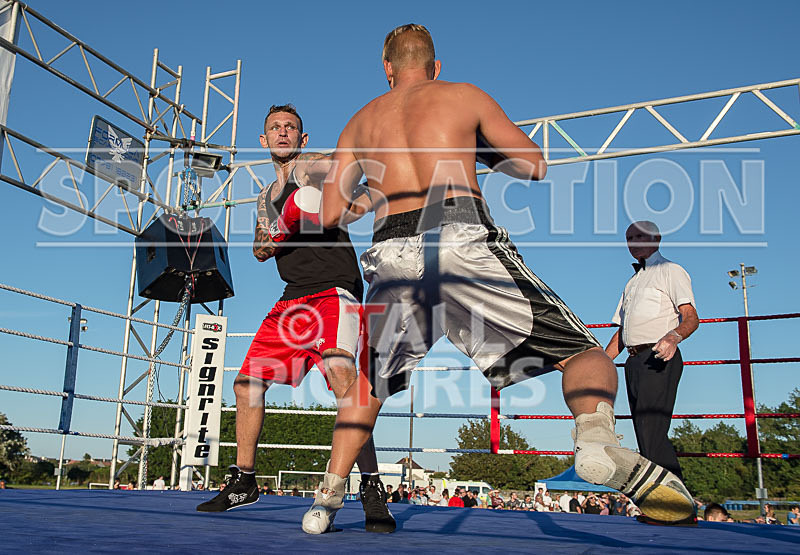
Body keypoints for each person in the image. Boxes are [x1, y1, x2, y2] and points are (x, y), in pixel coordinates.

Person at [309, 23, 696, 531]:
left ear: (386, 68)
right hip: (457, 233)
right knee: (583, 355)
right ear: (435, 65)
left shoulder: (358, 123)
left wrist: (373, 192)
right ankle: (597, 440)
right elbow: (535, 163)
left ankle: (325, 502)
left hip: (390, 253)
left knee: (370, 385)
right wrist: (473, 151)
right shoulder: (462, 95)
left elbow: (331, 214)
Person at [196, 105, 394, 534]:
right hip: (292, 296)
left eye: (290, 128)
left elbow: (374, 187)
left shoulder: (317, 166)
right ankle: (244, 479)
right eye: (274, 128)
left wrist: (340, 210)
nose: (282, 133)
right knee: (246, 383)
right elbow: (258, 249)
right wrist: (273, 238)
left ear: (302, 139)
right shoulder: (265, 196)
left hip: (334, 289)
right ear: (263, 140)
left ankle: (371, 487)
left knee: (344, 381)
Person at [604, 221, 699, 480]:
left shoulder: (671, 270)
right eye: (628, 238)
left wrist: (673, 336)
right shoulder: (632, 282)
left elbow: (691, 317)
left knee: (652, 430)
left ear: (656, 238)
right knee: (643, 433)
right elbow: (623, 332)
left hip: (658, 356)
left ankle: (677, 502)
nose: (632, 242)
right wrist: (600, 362)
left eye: (639, 236)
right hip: (633, 362)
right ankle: (660, 501)